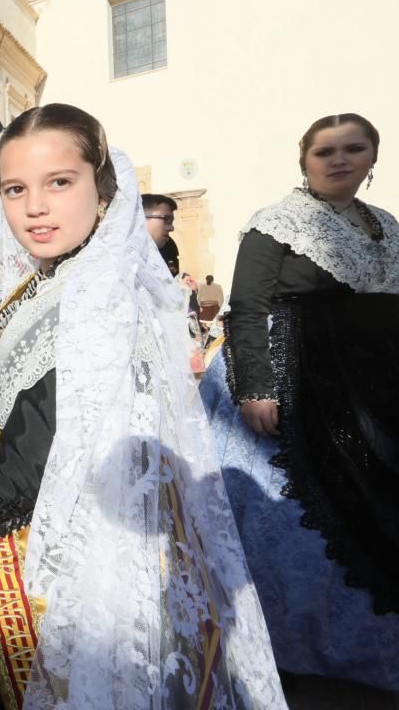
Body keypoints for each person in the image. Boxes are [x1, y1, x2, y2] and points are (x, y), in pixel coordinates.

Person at [0, 104, 284, 709]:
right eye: (16, 189)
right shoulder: (55, 279)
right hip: (10, 532)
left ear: (103, 187)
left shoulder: (102, 305)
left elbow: (25, 472)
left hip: (51, 566)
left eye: (59, 182)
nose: (34, 206)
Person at [200, 113, 399, 690]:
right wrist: (256, 388)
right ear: (304, 161)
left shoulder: (384, 226)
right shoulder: (277, 223)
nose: (339, 161)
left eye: (353, 149)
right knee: (294, 518)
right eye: (325, 152)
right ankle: (286, 649)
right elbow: (247, 306)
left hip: (365, 384)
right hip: (288, 372)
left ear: (372, 157)